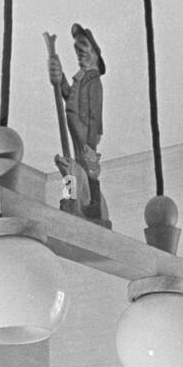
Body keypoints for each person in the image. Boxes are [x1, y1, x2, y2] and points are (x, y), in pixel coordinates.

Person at [48, 23, 105, 221]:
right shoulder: (80, 79)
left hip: (85, 130)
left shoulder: (93, 82)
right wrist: (59, 76)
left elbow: (95, 114)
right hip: (75, 127)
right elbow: (68, 95)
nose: (79, 51)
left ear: (95, 53)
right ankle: (73, 199)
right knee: (75, 165)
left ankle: (93, 205)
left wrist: (90, 143)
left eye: (83, 46)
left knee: (87, 164)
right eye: (76, 48)